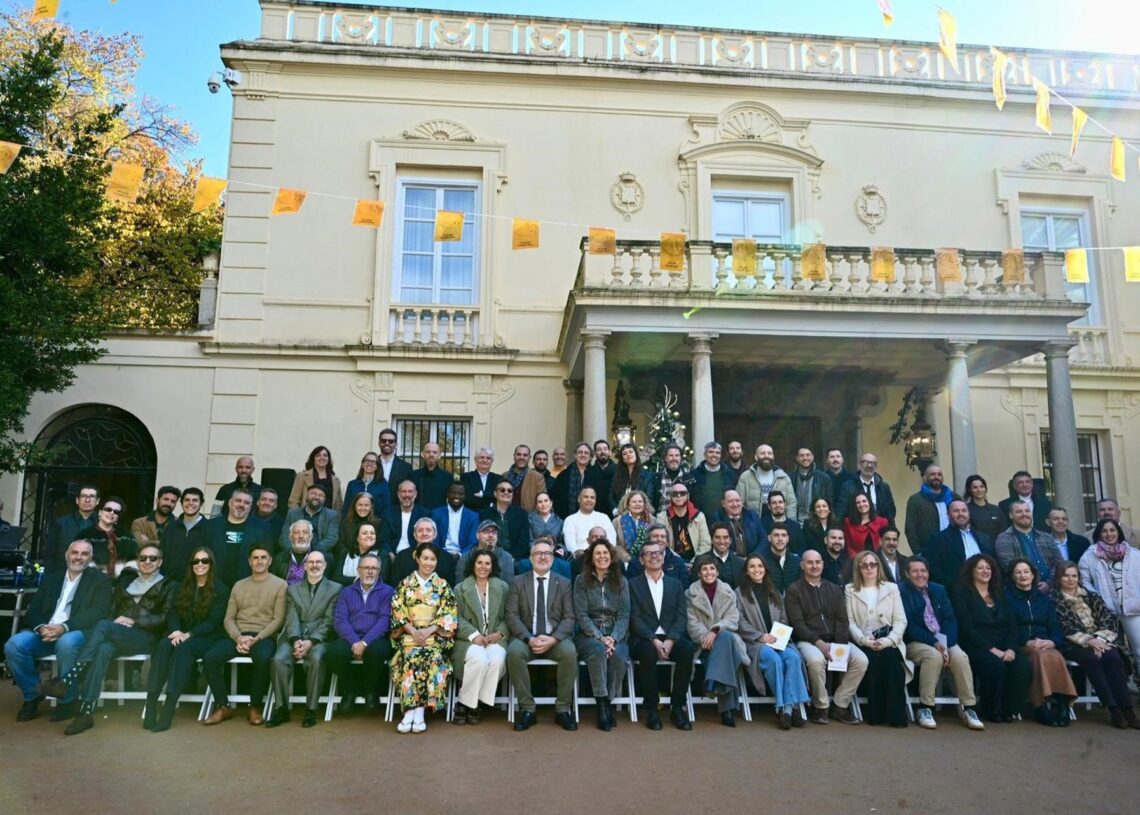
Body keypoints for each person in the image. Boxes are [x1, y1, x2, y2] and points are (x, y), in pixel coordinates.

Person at [45, 543, 174, 735]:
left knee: (104, 626)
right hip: (119, 634)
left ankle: (71, 677)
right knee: (103, 648)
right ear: (138, 561)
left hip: (148, 637)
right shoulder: (126, 583)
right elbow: (111, 612)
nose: (147, 561)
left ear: (160, 562)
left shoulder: (169, 585)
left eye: (153, 558)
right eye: (143, 558)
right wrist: (116, 621)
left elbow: (166, 618)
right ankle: (86, 712)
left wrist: (134, 621)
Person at [6, 540, 111, 723]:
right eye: (75, 552)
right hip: (45, 632)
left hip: (76, 632)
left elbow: (98, 612)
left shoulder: (100, 580)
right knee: (14, 645)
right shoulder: (52, 579)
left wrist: (64, 627)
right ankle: (32, 695)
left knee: (66, 642)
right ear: (66, 555)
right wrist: (41, 628)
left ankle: (68, 700)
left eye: (84, 554)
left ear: (90, 558)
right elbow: (33, 610)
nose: (78, 557)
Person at [144, 546, 229, 732]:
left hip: (207, 637)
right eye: (195, 561)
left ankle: (168, 709)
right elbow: (173, 612)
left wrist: (188, 634)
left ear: (211, 564)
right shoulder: (181, 586)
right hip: (181, 634)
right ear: (191, 565)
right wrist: (176, 631)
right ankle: (150, 704)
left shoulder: (221, 590)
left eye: (204, 561)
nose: (200, 564)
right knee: (163, 646)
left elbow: (213, 622)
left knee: (184, 649)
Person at [202, 544, 287, 726]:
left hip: (263, 636)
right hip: (238, 635)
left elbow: (278, 620)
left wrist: (257, 638)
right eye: (255, 558)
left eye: (263, 557)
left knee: (263, 658)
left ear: (270, 561)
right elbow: (228, 618)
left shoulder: (280, 585)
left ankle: (254, 706)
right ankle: (223, 705)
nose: (259, 561)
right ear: (249, 561)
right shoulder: (239, 585)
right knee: (210, 658)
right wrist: (238, 638)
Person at [899, 557, 985, 730]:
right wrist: (934, 642)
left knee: (960, 657)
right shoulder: (901, 591)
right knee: (933, 656)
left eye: (923, 571)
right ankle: (925, 707)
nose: (920, 574)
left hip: (943, 641)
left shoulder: (939, 590)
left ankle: (969, 708)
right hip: (916, 641)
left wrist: (945, 644)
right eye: (915, 571)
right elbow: (909, 626)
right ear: (907, 574)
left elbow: (950, 619)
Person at [1052, 560, 1138, 729]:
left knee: (1112, 656)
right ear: (1058, 578)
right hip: (1073, 644)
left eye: (1074, 576)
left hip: (1100, 640)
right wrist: (1089, 641)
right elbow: (1063, 626)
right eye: (1066, 576)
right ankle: (1114, 710)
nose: (1070, 579)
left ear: (1079, 577)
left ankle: (1128, 710)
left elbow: (1108, 618)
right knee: (1092, 660)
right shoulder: (1054, 599)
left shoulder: (1091, 596)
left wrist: (1099, 639)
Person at [785, 549, 868, 724]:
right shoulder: (794, 590)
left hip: (836, 640)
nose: (814, 566)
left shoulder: (834, 589)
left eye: (817, 562)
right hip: (808, 641)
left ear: (823, 565)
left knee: (861, 660)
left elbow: (842, 620)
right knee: (816, 661)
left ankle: (840, 705)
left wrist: (839, 646)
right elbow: (797, 624)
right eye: (810, 562)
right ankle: (821, 707)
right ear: (802, 565)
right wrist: (819, 643)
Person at [505, 538, 579, 732]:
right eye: (538, 553)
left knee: (569, 653)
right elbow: (511, 616)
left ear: (553, 558)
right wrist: (529, 639)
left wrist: (553, 639)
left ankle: (563, 709)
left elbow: (569, 617)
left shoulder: (564, 583)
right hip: (526, 638)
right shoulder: (518, 582)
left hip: (555, 639)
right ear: (531, 558)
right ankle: (527, 709)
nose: (543, 557)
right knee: (514, 652)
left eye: (547, 553)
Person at [267, 550, 342, 728]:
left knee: (315, 659)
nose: (315, 565)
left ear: (325, 565)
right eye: (311, 562)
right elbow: (291, 617)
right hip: (294, 636)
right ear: (305, 566)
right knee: (279, 659)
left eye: (318, 562)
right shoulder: (293, 589)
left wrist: (311, 641)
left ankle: (311, 709)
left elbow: (329, 620)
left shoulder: (336, 589)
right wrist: (295, 640)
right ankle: (281, 708)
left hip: (320, 639)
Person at [952, 553, 1031, 723]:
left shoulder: (999, 593)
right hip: (976, 645)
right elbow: (967, 628)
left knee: (1021, 665)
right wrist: (992, 650)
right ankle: (992, 709)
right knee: (994, 664)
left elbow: (1011, 625)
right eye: (980, 568)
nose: (985, 571)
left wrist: (1011, 649)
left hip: (1003, 644)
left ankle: (1011, 709)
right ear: (971, 571)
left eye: (988, 568)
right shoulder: (962, 593)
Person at [389, 541, 458, 733]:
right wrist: (413, 631)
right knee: (410, 657)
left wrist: (428, 631)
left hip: (434, 637)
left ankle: (419, 711)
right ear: (417, 559)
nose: (429, 563)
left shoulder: (442, 586)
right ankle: (409, 711)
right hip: (409, 636)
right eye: (425, 558)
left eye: (433, 559)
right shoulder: (405, 584)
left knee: (431, 657)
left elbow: (449, 614)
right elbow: (398, 611)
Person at [627, 537, 695, 730]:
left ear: (664, 557)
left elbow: (681, 616)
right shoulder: (632, 584)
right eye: (649, 554)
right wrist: (653, 639)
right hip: (644, 637)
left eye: (658, 553)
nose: (654, 557)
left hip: (670, 636)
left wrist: (671, 639)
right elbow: (634, 618)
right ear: (642, 560)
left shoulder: (675, 584)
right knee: (648, 653)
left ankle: (677, 707)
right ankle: (652, 708)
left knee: (687, 650)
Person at [736, 553, 810, 729]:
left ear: (765, 569)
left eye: (760, 566)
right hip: (755, 643)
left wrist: (778, 636)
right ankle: (785, 708)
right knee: (774, 660)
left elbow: (784, 617)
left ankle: (786, 710)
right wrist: (760, 636)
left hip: (779, 640)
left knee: (793, 657)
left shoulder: (774, 591)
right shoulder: (739, 593)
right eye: (752, 566)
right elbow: (739, 621)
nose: (757, 570)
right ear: (746, 571)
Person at [1005, 557, 1077, 726]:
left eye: (1026, 572)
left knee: (1055, 654)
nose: (1023, 575)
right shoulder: (1006, 598)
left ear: (1033, 575)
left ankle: (1063, 704)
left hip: (1045, 643)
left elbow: (1055, 627)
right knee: (1040, 656)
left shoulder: (1044, 599)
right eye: (1018, 572)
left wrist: (1052, 642)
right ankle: (1040, 706)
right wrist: (1026, 641)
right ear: (1012, 576)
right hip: (1021, 644)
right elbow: (1007, 628)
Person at [843, 550, 909, 727]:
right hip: (863, 641)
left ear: (879, 567)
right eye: (864, 565)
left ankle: (896, 717)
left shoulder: (891, 588)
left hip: (890, 640)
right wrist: (864, 640)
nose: (869, 568)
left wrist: (888, 641)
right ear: (858, 568)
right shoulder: (850, 589)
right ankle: (876, 715)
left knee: (892, 663)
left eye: (873, 564)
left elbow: (901, 620)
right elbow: (850, 622)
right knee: (872, 661)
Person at [573, 538, 631, 731]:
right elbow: (581, 615)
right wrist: (600, 637)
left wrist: (613, 638)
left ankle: (608, 701)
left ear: (611, 557)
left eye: (605, 553)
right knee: (598, 650)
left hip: (615, 632)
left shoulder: (621, 581)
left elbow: (624, 614)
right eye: (598, 553)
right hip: (588, 634)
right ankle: (601, 705)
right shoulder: (581, 581)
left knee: (619, 655)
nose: (602, 556)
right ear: (591, 558)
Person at [326, 552, 394, 714]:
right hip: (351, 637)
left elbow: (384, 621)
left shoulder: (388, 591)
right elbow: (340, 620)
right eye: (366, 568)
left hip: (376, 638)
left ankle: (370, 691)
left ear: (379, 571)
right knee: (333, 653)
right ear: (358, 570)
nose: (370, 571)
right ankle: (351, 688)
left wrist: (364, 643)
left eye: (374, 568)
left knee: (376, 652)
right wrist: (355, 641)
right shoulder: (346, 592)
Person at [685, 553, 748, 727]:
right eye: (704, 569)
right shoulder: (690, 594)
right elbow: (691, 623)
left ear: (717, 572)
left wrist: (715, 631)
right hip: (702, 643)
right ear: (699, 573)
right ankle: (726, 709)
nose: (709, 572)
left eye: (712, 568)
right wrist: (706, 636)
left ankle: (713, 681)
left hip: (724, 638)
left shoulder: (728, 592)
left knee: (725, 637)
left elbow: (733, 619)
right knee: (727, 649)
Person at [451, 550, 510, 724]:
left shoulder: (503, 587)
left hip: (495, 638)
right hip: (467, 640)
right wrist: (474, 635)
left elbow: (511, 615)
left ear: (492, 567)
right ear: (473, 565)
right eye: (479, 562)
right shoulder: (460, 588)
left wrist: (500, 632)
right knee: (480, 660)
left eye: (487, 563)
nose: (483, 567)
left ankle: (469, 702)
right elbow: (454, 617)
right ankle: (471, 704)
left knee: (497, 660)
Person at [1078, 518, 1140, 680]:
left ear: (1118, 532)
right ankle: (1121, 687)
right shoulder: (1089, 556)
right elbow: (1084, 582)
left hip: (1133, 608)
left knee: (1139, 650)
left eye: (1112, 530)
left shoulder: (1134, 554)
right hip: (1106, 612)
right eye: (1104, 531)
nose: (1109, 534)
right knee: (1112, 652)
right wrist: (1098, 598)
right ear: (1099, 533)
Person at [206, 488, 270, 587]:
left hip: (249, 585)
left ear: (250, 507)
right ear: (230, 503)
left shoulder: (262, 528)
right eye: (238, 500)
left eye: (246, 503)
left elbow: (267, 558)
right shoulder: (211, 526)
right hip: (215, 584)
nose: (242, 505)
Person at [926, 499, 995, 589]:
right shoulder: (938, 539)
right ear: (948, 515)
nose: (961, 514)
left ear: (969, 514)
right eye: (956, 511)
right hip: (956, 591)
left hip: (985, 589)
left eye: (964, 510)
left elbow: (993, 564)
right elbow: (933, 569)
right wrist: (954, 586)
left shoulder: (984, 538)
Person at [995, 501, 1062, 590]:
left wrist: (1049, 583)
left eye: (1027, 511)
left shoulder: (1046, 537)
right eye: (1019, 512)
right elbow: (1008, 567)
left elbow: (1059, 563)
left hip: (1051, 590)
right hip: (1022, 591)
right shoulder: (1004, 539)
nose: (1024, 514)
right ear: (1011, 515)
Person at [44, 484, 99, 574]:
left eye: (92, 496)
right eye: (84, 496)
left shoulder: (103, 525)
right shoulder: (61, 523)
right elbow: (50, 553)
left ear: (97, 501)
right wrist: (51, 576)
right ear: (77, 500)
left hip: (93, 577)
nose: (87, 500)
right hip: (63, 574)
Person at [904, 465, 957, 555]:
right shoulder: (916, 500)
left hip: (953, 548)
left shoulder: (953, 497)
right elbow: (910, 529)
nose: (936, 477)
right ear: (925, 478)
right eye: (932, 474)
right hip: (928, 551)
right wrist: (918, 552)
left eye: (939, 474)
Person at [78, 496, 137, 576]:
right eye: (108, 509)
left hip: (123, 581)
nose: (112, 513)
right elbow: (79, 561)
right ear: (100, 512)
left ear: (118, 517)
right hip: (92, 580)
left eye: (116, 512)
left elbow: (134, 561)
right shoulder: (85, 535)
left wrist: (124, 580)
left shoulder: (127, 537)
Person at [656, 482, 710, 565]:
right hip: (672, 561)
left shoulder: (699, 516)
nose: (678, 496)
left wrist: (694, 562)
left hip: (696, 561)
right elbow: (661, 543)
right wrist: (679, 563)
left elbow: (705, 544)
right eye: (675, 494)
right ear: (670, 497)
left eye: (682, 493)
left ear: (688, 496)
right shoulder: (662, 517)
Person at [737, 444, 796, 520]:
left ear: (773, 457)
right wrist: (745, 522)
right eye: (762, 453)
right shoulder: (745, 477)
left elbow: (791, 503)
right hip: (754, 522)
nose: (766, 456)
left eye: (769, 453)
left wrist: (790, 523)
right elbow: (739, 503)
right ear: (756, 457)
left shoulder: (784, 477)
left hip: (778, 522)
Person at [162, 487, 209, 580]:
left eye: (195, 500)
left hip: (197, 582)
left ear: (201, 504)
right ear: (181, 503)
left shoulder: (210, 528)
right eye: (187, 500)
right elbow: (162, 555)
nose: (190, 503)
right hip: (170, 582)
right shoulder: (170, 528)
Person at [835, 452, 896, 524]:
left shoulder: (884, 487)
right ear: (859, 465)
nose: (869, 465)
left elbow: (891, 511)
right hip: (856, 528)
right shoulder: (847, 487)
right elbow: (841, 512)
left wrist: (891, 528)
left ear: (876, 466)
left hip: (880, 529)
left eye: (873, 463)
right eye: (865, 462)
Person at [280, 483, 339, 554]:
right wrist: (295, 551)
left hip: (320, 552)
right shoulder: (293, 513)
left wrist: (313, 553)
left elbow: (332, 538)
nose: (316, 497)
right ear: (307, 495)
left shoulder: (332, 515)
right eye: (313, 493)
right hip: (295, 551)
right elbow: (284, 537)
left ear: (324, 500)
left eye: (321, 495)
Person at [552, 442, 605, 519]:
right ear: (575, 455)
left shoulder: (598, 475)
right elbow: (556, 499)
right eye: (580, 452)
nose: (583, 455)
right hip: (566, 518)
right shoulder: (563, 475)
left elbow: (601, 500)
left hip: (591, 519)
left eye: (586, 453)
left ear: (590, 457)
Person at [480, 480, 530, 559]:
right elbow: (483, 539)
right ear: (495, 493)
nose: (506, 492)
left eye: (509, 490)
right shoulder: (485, 514)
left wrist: (510, 558)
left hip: (515, 558)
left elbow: (524, 541)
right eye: (502, 490)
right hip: (491, 557)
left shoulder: (521, 514)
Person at [562, 486, 617, 560]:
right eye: (586, 497)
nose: (589, 500)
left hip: (603, 557)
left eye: (592, 497)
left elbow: (612, 540)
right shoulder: (570, 519)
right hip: (581, 558)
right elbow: (570, 544)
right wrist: (579, 553)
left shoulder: (604, 517)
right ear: (579, 499)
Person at [431, 482, 479, 560]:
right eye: (453, 493)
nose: (457, 496)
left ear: (465, 496)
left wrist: (460, 555)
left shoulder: (473, 516)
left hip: (464, 557)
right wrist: (443, 555)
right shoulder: (437, 513)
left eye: (460, 494)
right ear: (447, 494)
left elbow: (473, 542)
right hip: (440, 555)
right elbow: (433, 539)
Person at [689, 442, 739, 516]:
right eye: (711, 452)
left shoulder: (730, 474)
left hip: (724, 518)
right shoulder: (694, 475)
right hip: (701, 518)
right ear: (705, 455)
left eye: (717, 452)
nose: (714, 455)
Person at [708, 489, 764, 556]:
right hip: (729, 559)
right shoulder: (716, 518)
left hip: (753, 558)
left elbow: (763, 539)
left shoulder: (752, 516)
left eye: (737, 500)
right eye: (730, 501)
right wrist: (735, 559)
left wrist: (753, 557)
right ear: (723, 504)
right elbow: (717, 543)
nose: (735, 504)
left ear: (742, 502)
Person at [332, 522, 388, 587]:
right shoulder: (345, 553)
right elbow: (336, 578)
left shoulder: (382, 554)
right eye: (364, 533)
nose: (369, 536)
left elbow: (382, 579)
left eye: (372, 533)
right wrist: (358, 580)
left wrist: (354, 580)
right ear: (357, 538)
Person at [289, 445, 343, 512]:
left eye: (325, 455)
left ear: (328, 459)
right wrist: (298, 516)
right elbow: (293, 501)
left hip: (330, 517)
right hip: (307, 517)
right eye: (318, 455)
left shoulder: (336, 481)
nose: (322, 458)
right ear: (313, 458)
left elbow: (340, 504)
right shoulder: (302, 476)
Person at [337, 492, 389, 560]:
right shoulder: (346, 523)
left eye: (366, 505)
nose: (363, 508)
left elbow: (380, 545)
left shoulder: (378, 523)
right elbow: (341, 544)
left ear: (371, 507)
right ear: (354, 506)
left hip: (372, 559)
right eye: (360, 505)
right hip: (350, 557)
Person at [384, 479, 430, 556]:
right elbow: (384, 539)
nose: (407, 495)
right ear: (398, 494)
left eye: (410, 491)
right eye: (404, 491)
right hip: (393, 553)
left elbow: (426, 538)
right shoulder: (388, 513)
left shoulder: (424, 514)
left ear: (415, 494)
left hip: (415, 553)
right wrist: (391, 554)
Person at [789, 447, 832, 524]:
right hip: (796, 521)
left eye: (808, 455)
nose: (805, 458)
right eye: (802, 455)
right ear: (797, 458)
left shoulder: (824, 478)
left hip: (817, 521)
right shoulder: (790, 478)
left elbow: (830, 501)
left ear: (812, 457)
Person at [501, 444, 549, 512]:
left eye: (525, 455)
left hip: (528, 517)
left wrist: (530, 517)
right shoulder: (504, 476)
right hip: (506, 516)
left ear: (529, 457)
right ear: (514, 456)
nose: (521, 457)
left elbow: (542, 503)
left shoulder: (538, 478)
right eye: (518, 454)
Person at [842, 491, 890, 557]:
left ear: (869, 502)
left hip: (878, 560)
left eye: (864, 501)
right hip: (856, 560)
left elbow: (886, 544)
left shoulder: (882, 522)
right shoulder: (848, 522)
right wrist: (858, 559)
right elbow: (847, 545)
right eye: (858, 503)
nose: (861, 504)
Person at [611, 443, 655, 512]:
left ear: (636, 455)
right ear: (622, 459)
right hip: (620, 513)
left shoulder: (647, 476)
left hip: (640, 513)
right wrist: (616, 511)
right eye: (624, 454)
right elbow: (611, 496)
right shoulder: (616, 476)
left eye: (631, 452)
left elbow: (649, 497)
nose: (628, 454)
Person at [412, 442, 455, 511]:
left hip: (439, 516)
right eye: (428, 452)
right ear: (422, 454)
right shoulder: (413, 476)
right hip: (419, 515)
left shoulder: (447, 477)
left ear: (439, 455)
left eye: (434, 452)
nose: (431, 455)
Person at [614, 489, 655, 561]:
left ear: (644, 504)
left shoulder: (652, 520)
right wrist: (627, 558)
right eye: (634, 502)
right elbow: (615, 544)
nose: (637, 504)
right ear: (627, 504)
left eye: (640, 501)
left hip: (649, 559)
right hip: (625, 561)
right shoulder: (617, 521)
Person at [376, 428, 414, 505]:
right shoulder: (372, 465)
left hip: (397, 509)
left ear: (396, 445)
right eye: (383, 441)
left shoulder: (406, 467)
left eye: (391, 441)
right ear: (379, 443)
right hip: (375, 509)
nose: (387, 443)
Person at [762, 523, 802, 595]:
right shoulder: (762, 562)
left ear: (788, 539)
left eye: (783, 535)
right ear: (769, 538)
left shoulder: (797, 562)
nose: (780, 539)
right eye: (776, 535)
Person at [653, 443, 693, 514]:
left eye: (677, 455)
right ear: (666, 458)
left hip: (684, 518)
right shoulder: (655, 478)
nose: (674, 458)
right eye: (671, 455)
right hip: (661, 518)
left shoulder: (689, 479)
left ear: (680, 458)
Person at [963, 475, 1005, 540]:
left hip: (997, 545)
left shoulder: (996, 509)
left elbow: (1004, 531)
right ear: (969, 490)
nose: (979, 490)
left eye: (981, 486)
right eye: (975, 487)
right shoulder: (966, 510)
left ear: (985, 489)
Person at [272, 520, 314, 585]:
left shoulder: (320, 559)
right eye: (296, 532)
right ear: (290, 537)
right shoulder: (279, 558)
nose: (301, 536)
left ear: (311, 537)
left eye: (305, 532)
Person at [460, 447, 500, 513]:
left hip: (492, 516)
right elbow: (468, 499)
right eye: (481, 457)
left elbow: (499, 497)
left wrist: (482, 494)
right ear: (475, 460)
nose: (485, 460)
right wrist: (491, 501)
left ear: (492, 461)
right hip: (473, 515)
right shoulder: (466, 477)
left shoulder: (498, 479)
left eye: (488, 458)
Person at [708, 523, 747, 588]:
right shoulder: (700, 561)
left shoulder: (740, 563)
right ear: (711, 540)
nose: (722, 542)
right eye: (717, 537)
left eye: (725, 537)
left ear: (730, 540)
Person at [588, 439, 617, 517]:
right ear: (595, 454)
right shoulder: (589, 472)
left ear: (610, 452)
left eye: (605, 449)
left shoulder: (618, 471)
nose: (602, 452)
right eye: (599, 450)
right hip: (595, 514)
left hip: (615, 514)